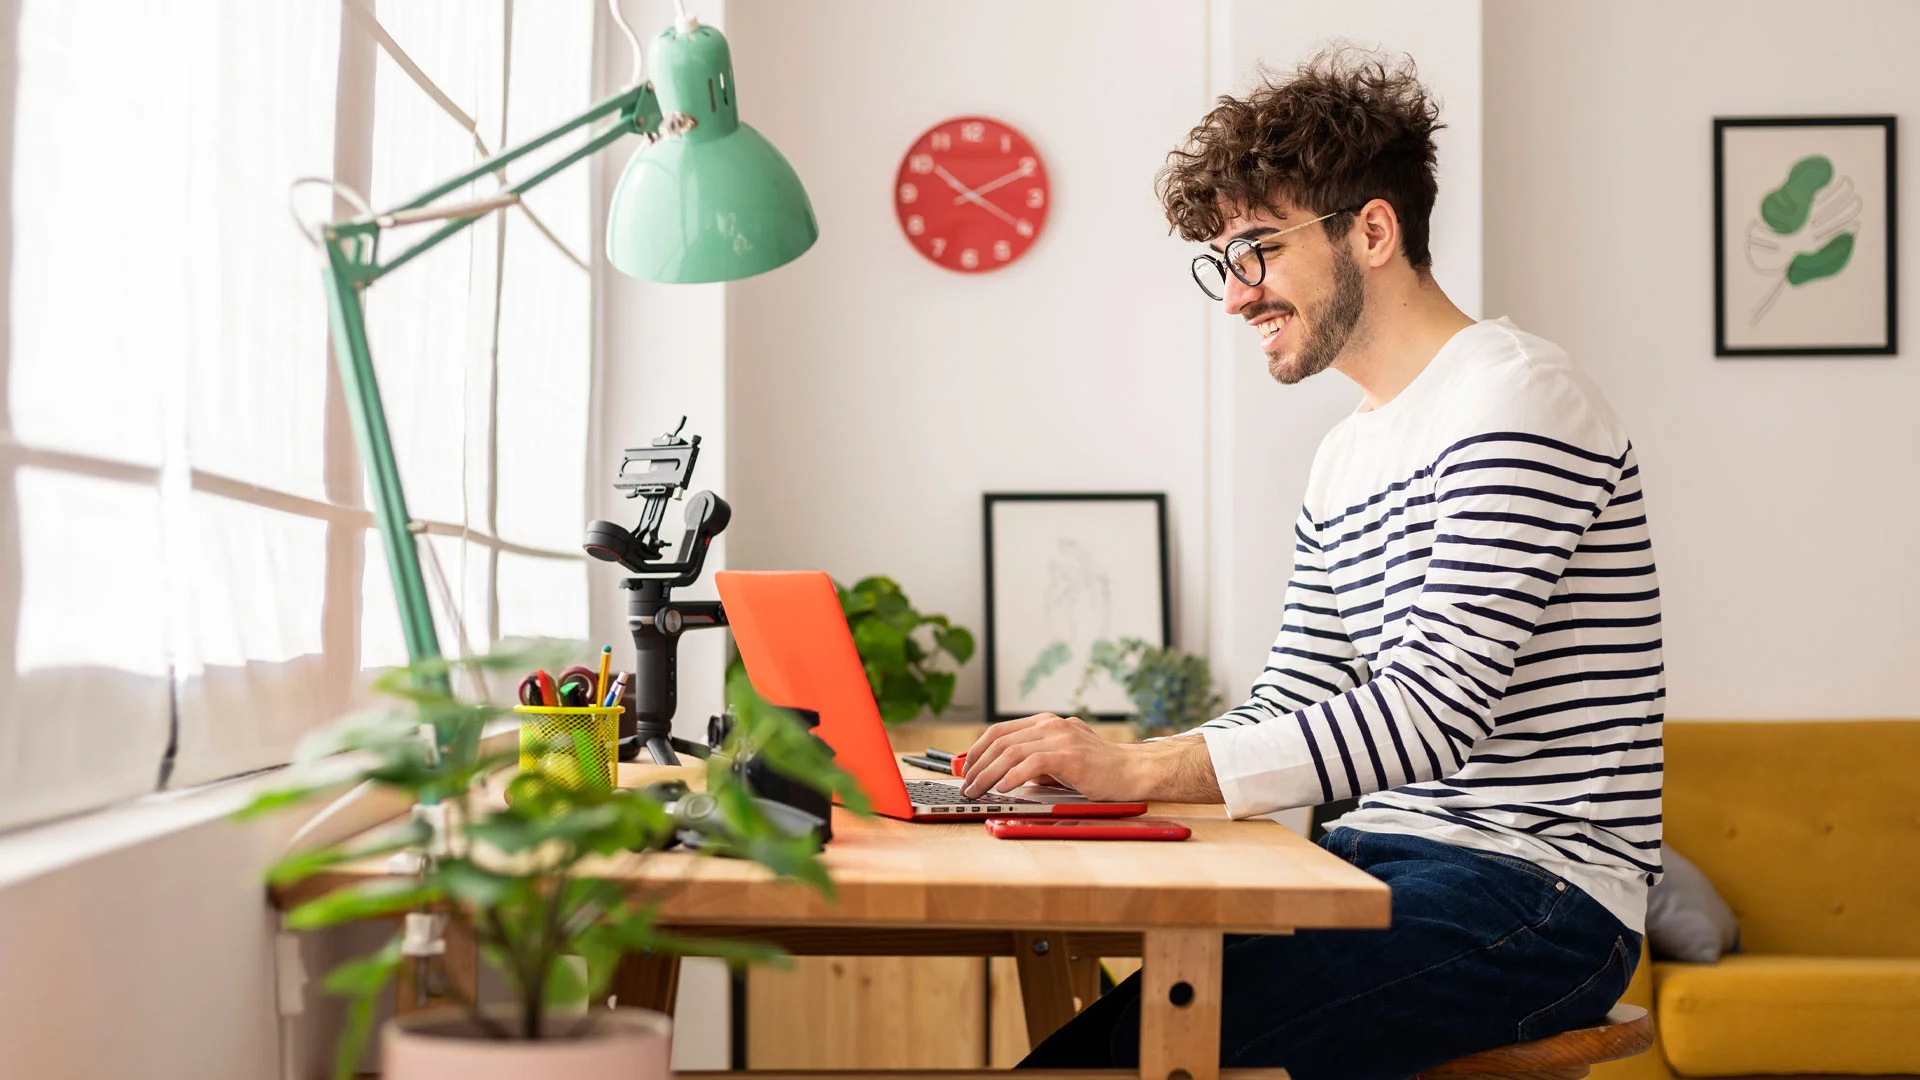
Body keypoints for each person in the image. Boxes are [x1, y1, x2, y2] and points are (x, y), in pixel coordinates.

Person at [960, 50, 1663, 1079]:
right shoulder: (1345, 457)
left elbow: (1433, 711)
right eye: (1223, 262)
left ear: (1372, 231)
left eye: (1257, 250)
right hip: (1375, 863)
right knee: (1086, 1053)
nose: (1236, 295)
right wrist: (1093, 779)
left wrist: (1141, 768)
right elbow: (1289, 700)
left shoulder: (1517, 399)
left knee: (1109, 1063)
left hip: (1534, 897)